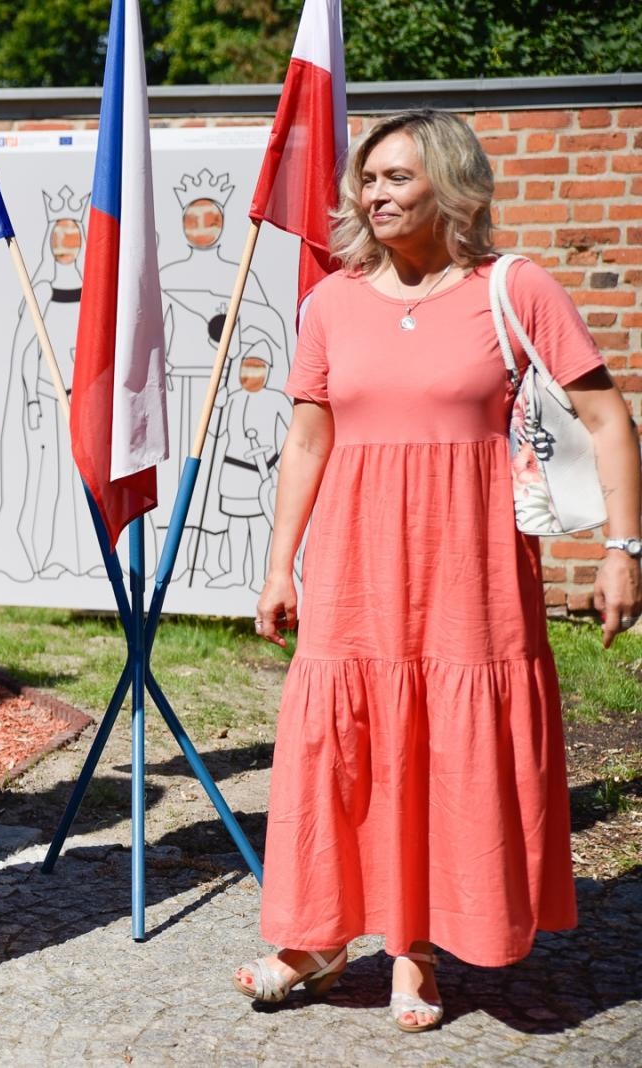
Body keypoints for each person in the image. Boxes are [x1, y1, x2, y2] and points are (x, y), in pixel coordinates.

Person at [232, 109, 642, 1032]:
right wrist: (279, 565)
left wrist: (624, 549)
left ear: (450, 184)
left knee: (442, 746)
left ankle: (414, 950)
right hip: (352, 561)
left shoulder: (515, 287)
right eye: (367, 180)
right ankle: (322, 935)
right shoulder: (330, 302)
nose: (374, 195)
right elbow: (307, 441)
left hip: (473, 565)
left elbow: (611, 418)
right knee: (344, 750)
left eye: (396, 178)